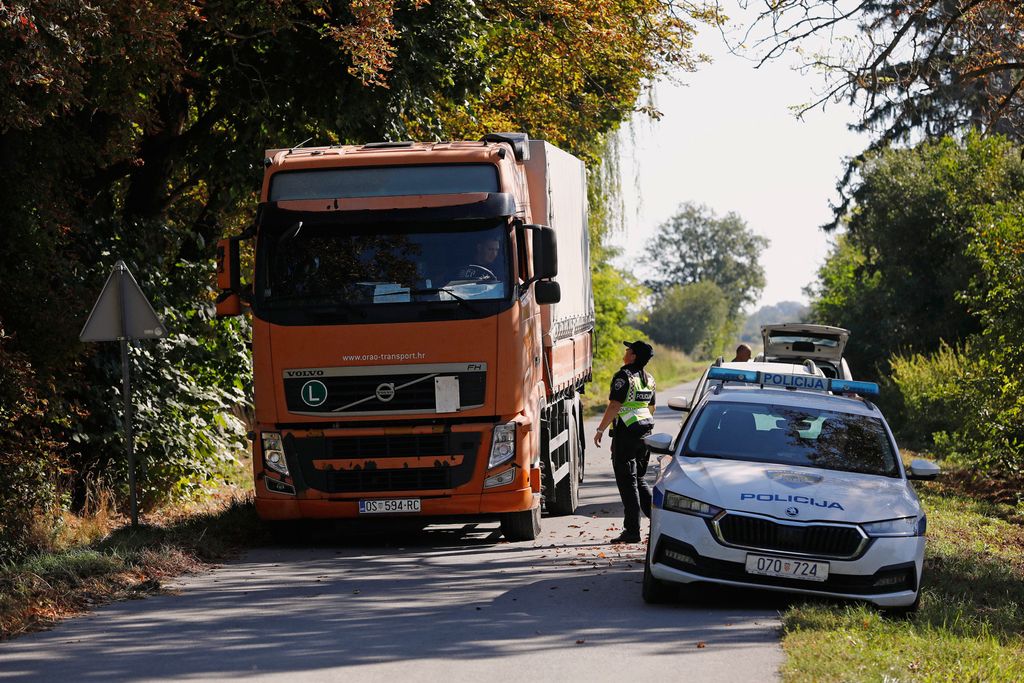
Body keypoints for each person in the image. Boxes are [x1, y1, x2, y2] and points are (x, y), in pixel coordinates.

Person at [593, 340, 657, 544]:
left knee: (627, 483)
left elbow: (614, 405)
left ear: (633, 356)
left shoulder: (624, 376)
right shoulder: (649, 378)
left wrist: (600, 429)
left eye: (629, 349)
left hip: (627, 434)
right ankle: (660, 523)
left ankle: (632, 531)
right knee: (639, 479)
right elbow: (651, 407)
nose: (625, 351)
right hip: (645, 433)